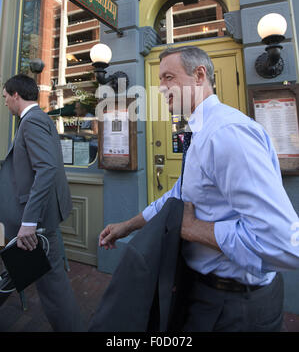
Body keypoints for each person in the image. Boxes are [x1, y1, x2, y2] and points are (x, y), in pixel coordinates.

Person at [99, 45, 299, 332]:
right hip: (205, 293)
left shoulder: (226, 135)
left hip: (237, 307)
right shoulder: (201, 131)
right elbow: (179, 195)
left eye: (168, 77)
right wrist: (127, 226)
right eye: (160, 80)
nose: (161, 88)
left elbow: (283, 244)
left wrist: (192, 229)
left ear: (199, 75)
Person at [0, 74, 85, 332]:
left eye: (5, 97)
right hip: (39, 219)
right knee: (18, 273)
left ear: (16, 95)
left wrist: (28, 222)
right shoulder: (39, 119)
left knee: (52, 285)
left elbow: (46, 169)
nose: (4, 103)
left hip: (35, 223)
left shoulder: (32, 121)